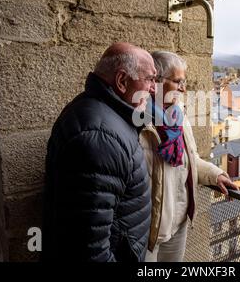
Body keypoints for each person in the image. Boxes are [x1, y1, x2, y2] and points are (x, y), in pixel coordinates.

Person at [43, 42, 157, 261]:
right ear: (122, 81)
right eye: (150, 79)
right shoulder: (101, 137)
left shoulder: (99, 115)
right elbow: (90, 249)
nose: (154, 89)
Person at [139, 51, 238, 262]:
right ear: (156, 82)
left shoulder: (178, 117)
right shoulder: (139, 121)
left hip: (179, 223)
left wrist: (215, 174)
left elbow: (188, 159)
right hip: (149, 231)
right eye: (178, 81)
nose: (184, 88)